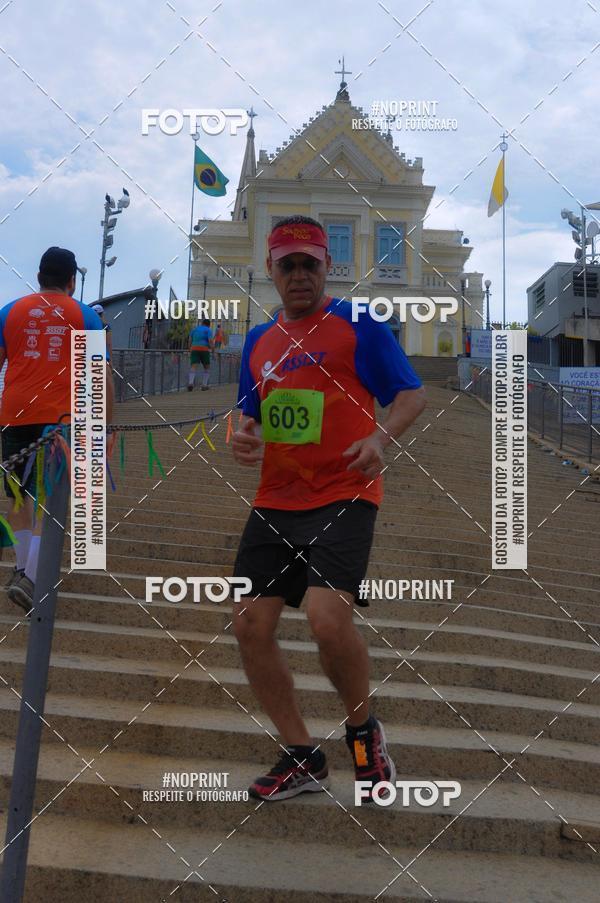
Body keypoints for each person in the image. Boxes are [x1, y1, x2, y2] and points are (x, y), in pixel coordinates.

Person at [231, 215, 426, 802]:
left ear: (326, 267)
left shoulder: (358, 323)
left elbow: (412, 394)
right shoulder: (259, 341)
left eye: (308, 264)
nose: (297, 275)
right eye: (286, 265)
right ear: (270, 270)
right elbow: (249, 414)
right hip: (276, 498)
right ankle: (301, 756)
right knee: (248, 625)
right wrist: (242, 435)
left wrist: (380, 438)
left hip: (345, 492)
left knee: (325, 618)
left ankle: (363, 734)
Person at [0, 247, 114, 613]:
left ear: (38, 277)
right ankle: (31, 577)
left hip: (13, 414)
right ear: (71, 280)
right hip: (61, 422)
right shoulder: (83, 315)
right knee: (48, 499)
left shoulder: (10, 312)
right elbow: (99, 376)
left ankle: (21, 569)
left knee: (18, 497)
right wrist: (106, 427)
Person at [187, 318, 213, 391]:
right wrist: (213, 349)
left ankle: (191, 383)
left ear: (202, 323)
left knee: (193, 366)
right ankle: (204, 385)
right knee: (207, 367)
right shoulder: (208, 330)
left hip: (194, 348)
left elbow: (190, 340)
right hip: (204, 349)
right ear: (209, 325)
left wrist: (189, 349)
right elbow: (210, 341)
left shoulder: (194, 329)